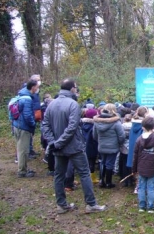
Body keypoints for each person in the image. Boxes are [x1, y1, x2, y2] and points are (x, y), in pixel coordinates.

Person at [42, 78, 106, 214]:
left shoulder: (51, 105)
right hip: (73, 147)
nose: (76, 90)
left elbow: (45, 126)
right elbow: (72, 128)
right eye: (76, 88)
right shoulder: (73, 105)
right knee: (83, 173)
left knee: (59, 175)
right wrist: (57, 142)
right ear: (72, 88)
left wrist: (54, 142)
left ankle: (61, 205)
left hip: (58, 147)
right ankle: (91, 204)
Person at [133, 116, 154, 213]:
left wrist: (134, 169)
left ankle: (142, 206)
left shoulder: (139, 139)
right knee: (151, 188)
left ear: (142, 127)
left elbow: (135, 156)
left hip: (142, 167)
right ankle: (151, 207)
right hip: (153, 168)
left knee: (141, 187)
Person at [93, 103, 125, 188]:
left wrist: (100, 141)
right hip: (113, 146)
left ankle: (101, 181)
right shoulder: (116, 122)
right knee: (110, 164)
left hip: (101, 145)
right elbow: (121, 136)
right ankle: (108, 182)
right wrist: (119, 143)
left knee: (102, 162)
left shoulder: (97, 121)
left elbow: (94, 136)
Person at [13, 79, 39, 178]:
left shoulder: (21, 95)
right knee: (23, 150)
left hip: (17, 125)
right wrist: (33, 124)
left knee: (21, 148)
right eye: (37, 86)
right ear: (33, 87)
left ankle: (22, 168)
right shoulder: (27, 99)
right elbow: (28, 115)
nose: (37, 88)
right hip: (23, 127)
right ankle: (22, 171)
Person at [126, 106, 149, 193]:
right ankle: (139, 187)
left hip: (133, 148)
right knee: (141, 167)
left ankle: (137, 185)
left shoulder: (133, 124)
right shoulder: (143, 125)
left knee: (135, 167)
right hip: (141, 148)